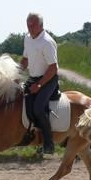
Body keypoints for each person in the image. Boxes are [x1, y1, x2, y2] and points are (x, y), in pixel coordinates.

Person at [20, 12, 58, 154]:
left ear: (41, 25)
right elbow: (25, 59)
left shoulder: (47, 42)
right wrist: (16, 73)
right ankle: (32, 138)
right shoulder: (27, 39)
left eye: (33, 25)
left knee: (38, 109)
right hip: (34, 77)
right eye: (28, 24)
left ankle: (49, 144)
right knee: (22, 103)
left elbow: (53, 68)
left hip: (48, 79)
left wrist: (40, 85)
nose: (29, 27)